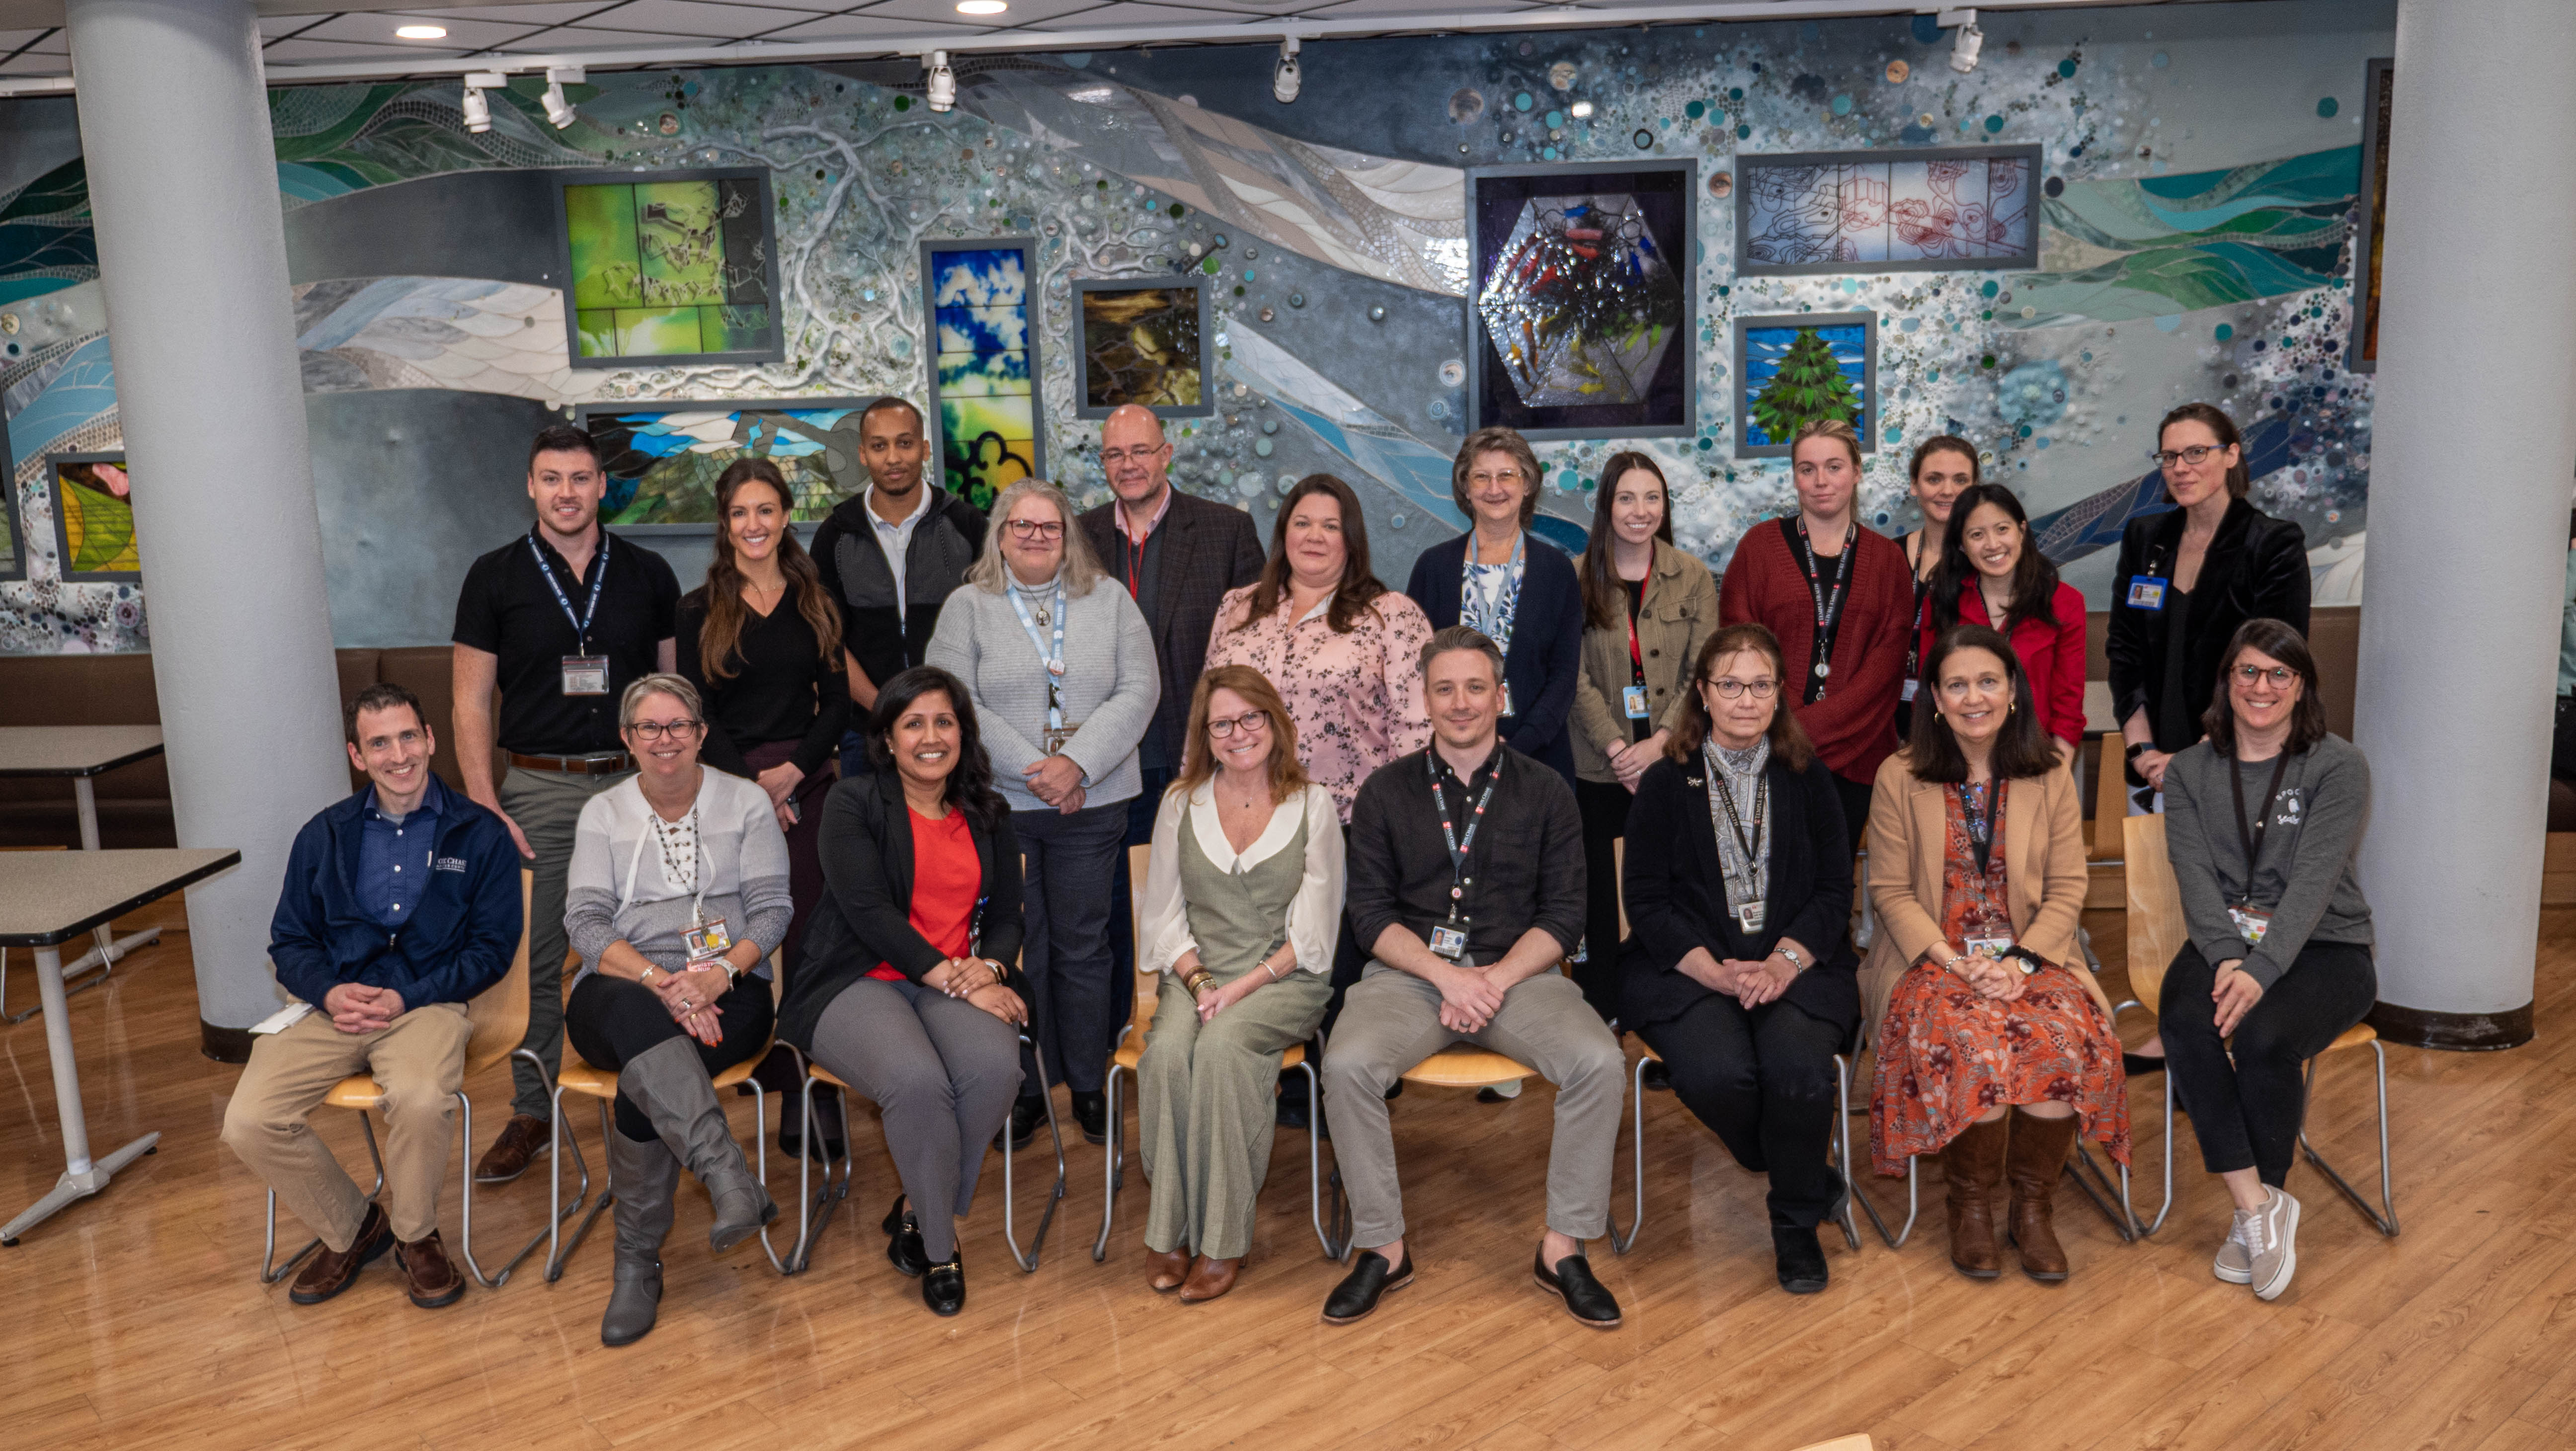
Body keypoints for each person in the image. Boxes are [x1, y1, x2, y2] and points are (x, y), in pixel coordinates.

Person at [1319, 627, 1626, 1329]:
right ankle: (1384, 1248)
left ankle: (1563, 1249)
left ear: (1500, 695)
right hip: (1412, 976)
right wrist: (1447, 978)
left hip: (1521, 977)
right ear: (1424, 699)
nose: (1461, 703)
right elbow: (1369, 916)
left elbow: (1565, 916)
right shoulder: (1385, 791)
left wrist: (1492, 979)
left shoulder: (1547, 790)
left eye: (1476, 687)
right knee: (1347, 1063)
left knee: (1599, 1061)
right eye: (1445, 689)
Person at [224, 683, 524, 1310]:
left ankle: (417, 1237)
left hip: (427, 1005)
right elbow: (289, 941)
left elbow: (492, 951)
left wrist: (407, 997)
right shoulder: (324, 835)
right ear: (357, 756)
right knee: (248, 1120)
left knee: (420, 1097)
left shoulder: (479, 834)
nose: (399, 755)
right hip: (332, 1009)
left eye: (408, 736)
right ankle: (355, 1226)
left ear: (430, 739)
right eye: (379, 743)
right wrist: (330, 992)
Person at [452, 423, 681, 1183]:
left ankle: (657, 1092)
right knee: (540, 958)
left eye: (581, 478)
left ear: (602, 485)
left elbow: (674, 696)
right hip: (540, 788)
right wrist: (484, 802)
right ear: (531, 486)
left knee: (653, 941)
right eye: (551, 479)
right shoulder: (493, 577)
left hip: (634, 785)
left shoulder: (648, 574)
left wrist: (676, 786)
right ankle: (532, 1109)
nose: (567, 493)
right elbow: (470, 702)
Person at [1862, 626, 2127, 1284]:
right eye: (1957, 685)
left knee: (2063, 1037)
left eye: (1988, 681)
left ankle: (2032, 1207)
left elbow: (2068, 888)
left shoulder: (2049, 772)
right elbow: (1890, 891)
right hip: (1931, 959)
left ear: (2013, 692)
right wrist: (1958, 964)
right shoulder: (1899, 775)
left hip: (2033, 956)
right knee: (1972, 1040)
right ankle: (1971, 1204)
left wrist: (2019, 964)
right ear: (1935, 698)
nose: (1973, 697)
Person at [782, 665, 1030, 1317]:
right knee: (917, 1083)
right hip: (856, 978)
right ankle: (941, 1249)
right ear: (888, 740)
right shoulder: (853, 802)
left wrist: (991, 969)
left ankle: (917, 1208)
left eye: (944, 721)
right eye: (913, 723)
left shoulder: (989, 812)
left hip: (954, 981)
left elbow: (1008, 916)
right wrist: (955, 977)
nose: (931, 736)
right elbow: (869, 912)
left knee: (995, 1070)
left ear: (963, 733)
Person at [1619, 625, 1855, 1293]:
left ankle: (1795, 1226)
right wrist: (1710, 970)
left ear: (1779, 694)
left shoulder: (1811, 779)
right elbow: (1646, 899)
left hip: (1797, 965)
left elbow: (1835, 891)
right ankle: (1802, 1170)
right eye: (1729, 685)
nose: (1745, 700)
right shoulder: (1666, 782)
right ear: (1703, 692)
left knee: (1799, 1076)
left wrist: (1783, 962)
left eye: (1759, 685)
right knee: (1719, 1075)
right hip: (1690, 968)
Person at [928, 479, 1158, 1149]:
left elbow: (1139, 689)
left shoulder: (1108, 599)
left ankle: (1086, 1083)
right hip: (1001, 808)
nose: (1035, 536)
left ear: (1067, 536)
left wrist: (1078, 764)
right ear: (1000, 535)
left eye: (1049, 527)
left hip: (1093, 804)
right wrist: (1041, 769)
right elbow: (954, 701)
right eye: (1021, 526)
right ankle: (1025, 1087)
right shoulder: (968, 606)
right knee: (1016, 949)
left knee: (1085, 945)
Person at [563, 674, 790, 1346]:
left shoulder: (746, 802)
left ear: (701, 733)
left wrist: (717, 977)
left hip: (730, 985)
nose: (665, 740)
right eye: (649, 728)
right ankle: (728, 1175)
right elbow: (585, 923)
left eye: (679, 725)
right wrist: (663, 982)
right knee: (643, 1026)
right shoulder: (602, 812)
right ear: (628, 738)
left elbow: (773, 911)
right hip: (621, 985)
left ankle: (636, 1261)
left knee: (650, 1071)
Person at [2158, 619, 2374, 1302]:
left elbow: (2314, 883)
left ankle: (2264, 1205)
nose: (2263, 686)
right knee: (2184, 1019)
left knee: (2264, 1036)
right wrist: (2229, 956)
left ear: (2301, 686)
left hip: (2326, 946)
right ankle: (2256, 1207)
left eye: (2280, 673)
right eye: (2248, 671)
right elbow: (2194, 875)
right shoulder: (2189, 771)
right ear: (2228, 680)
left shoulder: (2338, 766)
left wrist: (2260, 971)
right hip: (2225, 939)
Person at [1133, 666, 1341, 1302]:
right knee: (1168, 1054)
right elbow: (1162, 915)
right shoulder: (1180, 803)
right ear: (1205, 735)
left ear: (1274, 722)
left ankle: (1223, 1241)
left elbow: (1315, 935)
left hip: (1284, 977)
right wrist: (1200, 983)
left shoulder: (1314, 804)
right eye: (1221, 723)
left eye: (1251, 717)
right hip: (1195, 974)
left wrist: (1240, 989)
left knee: (1223, 1049)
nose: (1238, 733)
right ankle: (1171, 1230)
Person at [1206, 474, 1432, 1048]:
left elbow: (1417, 726)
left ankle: (1347, 1082)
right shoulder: (1237, 608)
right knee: (1263, 966)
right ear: (1283, 532)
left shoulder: (1389, 615)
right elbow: (1207, 710)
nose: (1315, 536)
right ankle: (1283, 1078)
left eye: (1331, 525)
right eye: (1303, 522)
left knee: (1338, 971)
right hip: (1249, 824)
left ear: (1351, 539)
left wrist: (1410, 823)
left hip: (1352, 824)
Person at [1077, 403, 1268, 1075]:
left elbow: (1253, 653)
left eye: (1141, 451)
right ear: (1103, 463)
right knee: (1112, 914)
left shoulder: (1226, 530)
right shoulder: (1079, 536)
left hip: (1200, 758)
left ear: (1167, 455)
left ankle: (1225, 1042)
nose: (1128, 465)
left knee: (1215, 905)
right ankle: (1111, 1050)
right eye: (1114, 454)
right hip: (1108, 762)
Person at [676, 457, 852, 1159]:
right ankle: (730, 1074)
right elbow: (697, 710)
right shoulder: (698, 608)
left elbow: (836, 704)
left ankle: (813, 1086)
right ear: (725, 524)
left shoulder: (816, 600)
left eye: (766, 510)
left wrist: (794, 773)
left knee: (811, 939)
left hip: (808, 785)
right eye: (740, 513)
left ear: (785, 516)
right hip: (726, 787)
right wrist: (754, 788)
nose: (754, 524)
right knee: (733, 935)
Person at [1570, 451, 1717, 1024]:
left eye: (1652, 497)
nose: (1640, 510)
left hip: (1672, 762)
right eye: (1627, 498)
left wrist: (1658, 744)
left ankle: (1673, 1017)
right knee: (1600, 902)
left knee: (1674, 892)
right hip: (1598, 766)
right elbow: (1571, 676)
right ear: (1607, 505)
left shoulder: (1693, 576)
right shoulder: (1576, 576)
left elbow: (1703, 670)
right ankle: (1602, 1016)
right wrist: (1616, 748)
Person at [1719, 418, 1912, 850]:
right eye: (1807, 469)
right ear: (1795, 477)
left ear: (1857, 472)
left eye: (1834, 467)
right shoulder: (1758, 548)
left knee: (1834, 880)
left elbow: (1886, 667)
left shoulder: (1888, 560)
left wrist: (1800, 732)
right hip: (1767, 753)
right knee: (1767, 878)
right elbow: (1738, 646)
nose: (1821, 481)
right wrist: (1782, 731)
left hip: (1857, 758)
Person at [2107, 402, 2310, 812]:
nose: (2181, 468)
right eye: (2169, 457)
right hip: (2152, 770)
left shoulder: (2273, 545)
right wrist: (2141, 750)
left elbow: (2271, 669)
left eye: (2196, 452)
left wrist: (2199, 756)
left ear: (2231, 455)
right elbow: (2125, 651)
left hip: (2236, 764)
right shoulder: (2145, 539)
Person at [809, 397, 989, 763]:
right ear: (863, 454)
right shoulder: (836, 535)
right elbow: (827, 640)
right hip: (868, 728)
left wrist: (943, 713)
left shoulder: (967, 525)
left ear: (925, 449)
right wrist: (886, 710)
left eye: (905, 443)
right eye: (879, 446)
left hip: (953, 726)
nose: (893, 458)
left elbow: (989, 629)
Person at [1406, 426, 1584, 787]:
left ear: (1527, 484)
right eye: (1481, 477)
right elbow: (1414, 668)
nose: (1494, 488)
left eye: (1507, 475)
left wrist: (1518, 746)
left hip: (1537, 761)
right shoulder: (1433, 567)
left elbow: (1564, 675)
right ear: (1465, 488)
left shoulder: (1557, 570)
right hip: (1451, 759)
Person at [1923, 482, 2088, 752]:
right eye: (1977, 535)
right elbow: (1928, 691)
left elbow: (2068, 704)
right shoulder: (1942, 600)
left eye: (2002, 529)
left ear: (2022, 531)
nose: (1993, 544)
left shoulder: (2065, 602)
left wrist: (2058, 769)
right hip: (1956, 754)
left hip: (2036, 754)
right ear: (1962, 545)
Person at [1897, 437, 1980, 739]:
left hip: (1964, 718)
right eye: (1934, 479)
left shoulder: (1988, 561)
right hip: (1889, 717)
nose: (1947, 491)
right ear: (1914, 486)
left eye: (1960, 480)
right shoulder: (1886, 556)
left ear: (1975, 487)